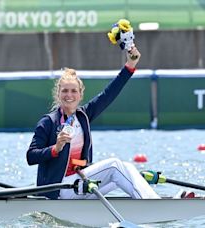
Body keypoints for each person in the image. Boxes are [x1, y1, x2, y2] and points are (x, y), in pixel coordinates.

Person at [26, 47, 160, 200]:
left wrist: (130, 65)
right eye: (65, 91)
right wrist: (55, 148)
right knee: (114, 166)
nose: (69, 95)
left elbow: (109, 94)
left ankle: (153, 201)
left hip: (80, 184)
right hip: (58, 189)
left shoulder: (84, 116)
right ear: (58, 94)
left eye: (73, 91)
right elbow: (31, 156)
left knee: (127, 167)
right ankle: (152, 205)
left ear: (80, 94)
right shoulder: (48, 122)